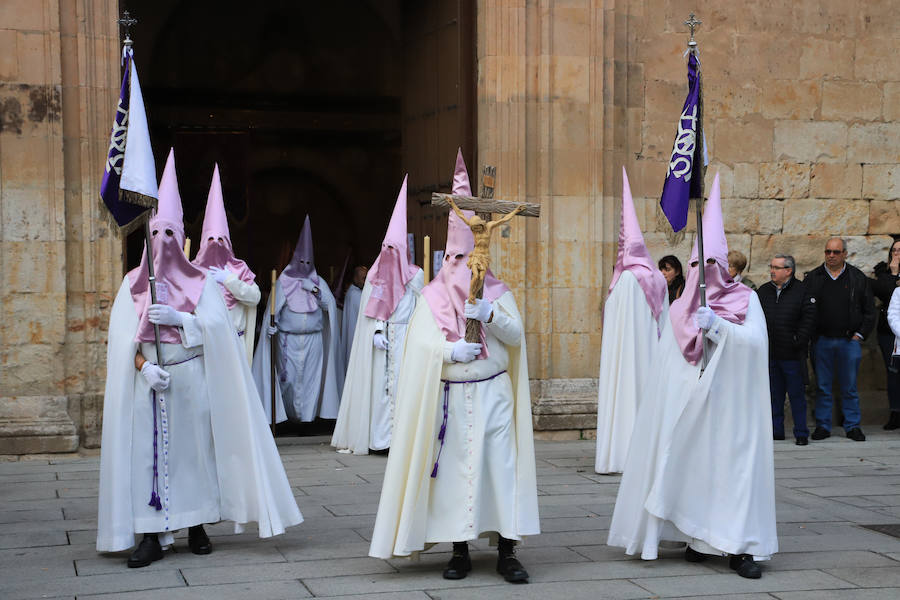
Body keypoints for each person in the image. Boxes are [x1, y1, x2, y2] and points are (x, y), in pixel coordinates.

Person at [97, 149, 302, 567]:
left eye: (171, 235)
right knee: (150, 457)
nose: (164, 244)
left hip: (191, 383)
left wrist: (180, 319)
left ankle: (197, 525)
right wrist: (144, 367)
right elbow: (123, 345)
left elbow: (217, 333)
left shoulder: (203, 284)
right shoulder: (132, 284)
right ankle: (153, 533)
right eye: (158, 235)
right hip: (151, 383)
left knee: (194, 457)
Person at [368, 149, 539, 584]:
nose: (463, 268)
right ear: (446, 259)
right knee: (456, 473)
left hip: (493, 390)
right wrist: (448, 352)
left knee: (499, 465)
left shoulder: (497, 291)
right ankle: (459, 550)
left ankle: (507, 549)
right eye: (455, 259)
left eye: (469, 259)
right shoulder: (430, 298)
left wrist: (490, 316)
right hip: (451, 395)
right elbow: (418, 346)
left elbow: (517, 336)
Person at [607, 174, 777, 580]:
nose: (705, 272)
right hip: (690, 406)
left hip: (731, 408)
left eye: (713, 265)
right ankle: (697, 538)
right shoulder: (681, 306)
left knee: (733, 473)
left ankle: (739, 548)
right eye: (699, 264)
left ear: (726, 267)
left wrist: (719, 327)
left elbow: (755, 344)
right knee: (692, 470)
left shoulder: (746, 300)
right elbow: (669, 362)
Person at [332, 176, 425, 455]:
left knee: (404, 388)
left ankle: (403, 440)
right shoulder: (374, 276)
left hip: (407, 338)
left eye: (395, 250)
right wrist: (375, 332)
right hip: (382, 342)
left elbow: (425, 307)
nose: (390, 255)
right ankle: (381, 439)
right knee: (380, 391)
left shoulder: (416, 276)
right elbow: (369, 313)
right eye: (387, 249)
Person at [595, 168, 668, 474]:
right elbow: (664, 318)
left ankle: (618, 454)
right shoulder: (657, 278)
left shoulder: (624, 279)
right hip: (649, 353)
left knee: (621, 398)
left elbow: (610, 317)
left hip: (621, 357)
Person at [252, 215, 342, 424]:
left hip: (313, 340)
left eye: (307, 262)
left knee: (311, 380)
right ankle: (288, 417)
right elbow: (271, 313)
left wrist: (317, 291)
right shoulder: (283, 283)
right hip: (288, 341)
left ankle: (307, 420)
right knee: (289, 380)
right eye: (301, 261)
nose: (304, 265)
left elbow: (330, 307)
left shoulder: (318, 281)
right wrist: (269, 329)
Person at [804, 238, 876, 442]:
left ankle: (852, 426)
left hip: (849, 341)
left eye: (836, 252)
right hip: (822, 341)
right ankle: (823, 426)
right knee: (822, 386)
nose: (831, 255)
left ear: (845, 253)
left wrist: (859, 335)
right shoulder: (814, 278)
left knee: (850, 387)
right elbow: (805, 309)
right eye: (828, 251)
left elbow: (869, 311)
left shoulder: (857, 277)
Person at [191, 164, 260, 363]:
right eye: (211, 240)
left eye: (221, 240)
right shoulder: (193, 270)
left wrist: (229, 280)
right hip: (205, 347)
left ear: (228, 243)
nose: (216, 245)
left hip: (234, 345)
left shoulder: (238, 269)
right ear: (203, 242)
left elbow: (254, 297)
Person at [757, 254, 815, 445]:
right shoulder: (763, 291)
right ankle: (776, 430)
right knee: (774, 394)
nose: (772, 271)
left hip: (792, 353)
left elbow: (809, 319)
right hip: (771, 352)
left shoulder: (802, 291)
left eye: (776, 267)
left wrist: (798, 340)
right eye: (771, 266)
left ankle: (801, 432)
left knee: (797, 395)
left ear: (788, 271)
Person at [871, 239, 900, 430]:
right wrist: (894, 273)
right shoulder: (883, 272)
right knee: (893, 373)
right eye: (894, 250)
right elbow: (888, 293)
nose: (897, 253)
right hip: (889, 332)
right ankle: (895, 412)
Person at [339, 265, 368, 370]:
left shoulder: (353, 292)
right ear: (355, 278)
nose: (366, 282)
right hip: (356, 336)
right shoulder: (355, 295)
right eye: (363, 278)